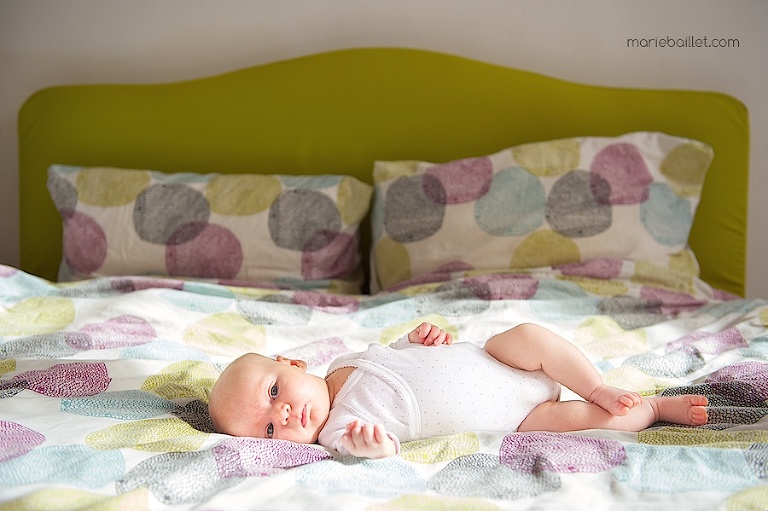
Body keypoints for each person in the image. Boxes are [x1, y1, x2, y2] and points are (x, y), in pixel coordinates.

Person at [208, 322, 709, 459]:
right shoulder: (338, 428)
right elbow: (365, 447)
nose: (288, 413)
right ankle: (654, 408)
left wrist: (419, 340)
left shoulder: (343, 363)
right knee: (589, 426)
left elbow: (396, 357)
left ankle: (595, 385)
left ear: (291, 362)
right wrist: (371, 446)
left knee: (527, 335)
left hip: (499, 360)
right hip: (519, 420)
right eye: (270, 429)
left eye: (274, 392)